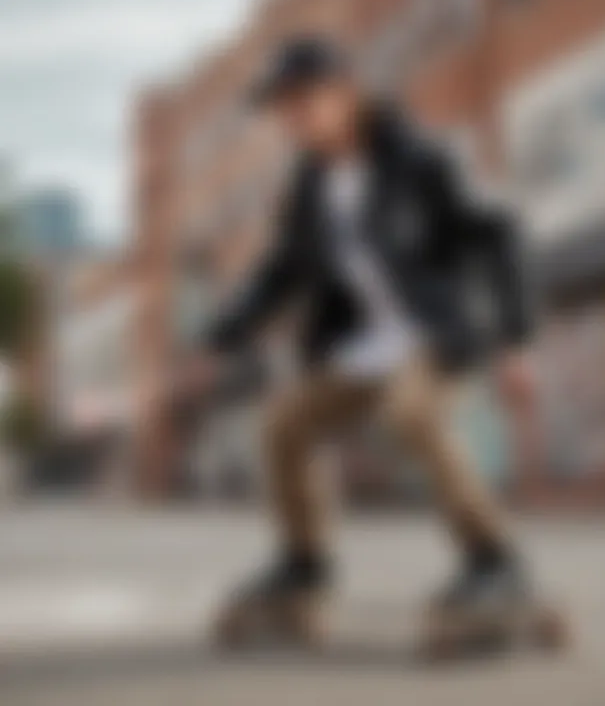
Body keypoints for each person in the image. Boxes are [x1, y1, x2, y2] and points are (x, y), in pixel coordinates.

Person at [188, 37, 538, 647]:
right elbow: (282, 270)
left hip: (435, 333)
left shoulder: (424, 158)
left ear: (347, 92)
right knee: (282, 425)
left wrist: (514, 338)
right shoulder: (310, 185)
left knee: (412, 417)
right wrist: (222, 331)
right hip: (365, 347)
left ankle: (494, 561)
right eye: (282, 107)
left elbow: (498, 234)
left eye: (305, 100)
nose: (293, 116)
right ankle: (305, 566)